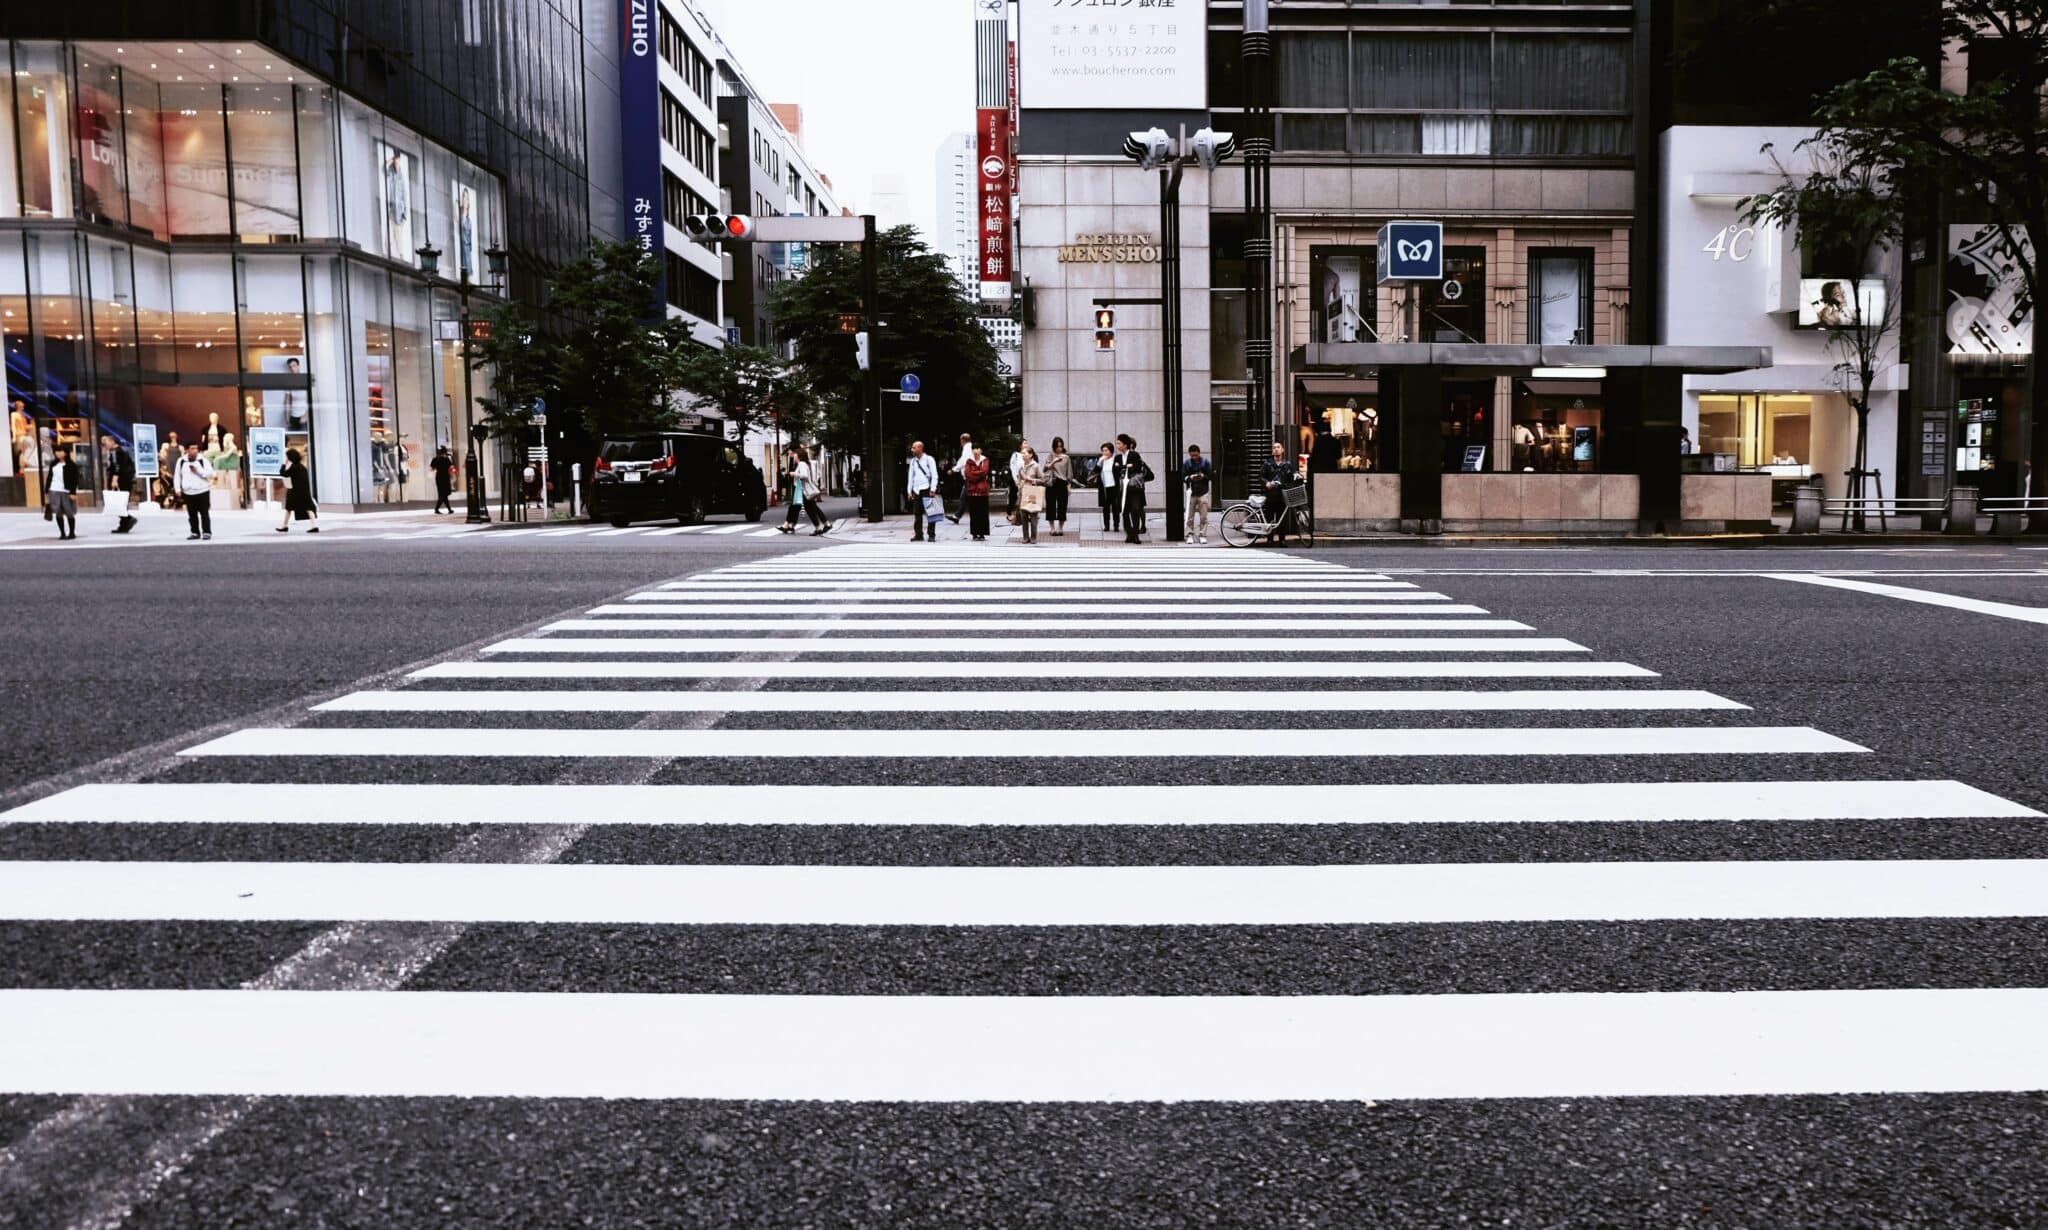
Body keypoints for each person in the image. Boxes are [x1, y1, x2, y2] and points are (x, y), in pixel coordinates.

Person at [1113, 434, 1154, 545]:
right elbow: (1115, 471)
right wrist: (1125, 466)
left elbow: (1136, 467)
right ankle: (1129, 533)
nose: (1117, 445)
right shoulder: (1117, 457)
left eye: (1119, 443)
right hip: (1123, 488)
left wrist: (1122, 466)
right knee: (1124, 511)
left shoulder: (1134, 455)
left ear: (1125, 445)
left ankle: (1135, 535)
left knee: (1135, 510)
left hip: (1134, 488)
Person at [781, 446, 829, 536]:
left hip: (803, 489)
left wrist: (793, 474)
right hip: (802, 489)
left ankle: (820, 526)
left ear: (799, 455)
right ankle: (820, 526)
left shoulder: (802, 464)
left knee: (809, 508)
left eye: (795, 454)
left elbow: (804, 475)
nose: (794, 456)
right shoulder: (803, 464)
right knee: (810, 508)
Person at [1262, 441, 1303, 545]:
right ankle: (1270, 539)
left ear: (1282, 450)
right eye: (1274, 448)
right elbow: (1261, 476)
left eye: (1278, 447)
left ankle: (1282, 539)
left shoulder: (1287, 464)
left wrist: (1297, 476)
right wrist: (1266, 483)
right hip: (1271, 494)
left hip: (1282, 494)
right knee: (1269, 517)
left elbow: (1293, 475)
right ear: (1272, 451)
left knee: (1282, 518)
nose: (1276, 449)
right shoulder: (1267, 464)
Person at [176, 441, 215, 540]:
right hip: (188, 491)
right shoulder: (181, 461)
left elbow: (210, 474)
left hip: (202, 490)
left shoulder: (203, 460)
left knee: (204, 513)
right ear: (187, 450)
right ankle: (194, 532)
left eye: (196, 448)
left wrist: (198, 471)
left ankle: (206, 532)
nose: (195, 451)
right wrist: (177, 488)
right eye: (192, 448)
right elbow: (177, 476)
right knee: (192, 514)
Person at [276, 447, 318, 533]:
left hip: (295, 491)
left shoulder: (294, 467)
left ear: (290, 457)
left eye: (287, 457)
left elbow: (283, 473)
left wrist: (284, 464)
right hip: (304, 491)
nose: (286, 458)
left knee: (289, 508)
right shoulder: (302, 467)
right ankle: (314, 525)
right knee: (308, 507)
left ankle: (285, 526)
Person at [904, 440, 940, 543]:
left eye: (914, 448)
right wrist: (909, 491)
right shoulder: (913, 461)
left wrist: (933, 489)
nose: (912, 450)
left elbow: (934, 475)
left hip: (927, 489)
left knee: (931, 513)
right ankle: (918, 534)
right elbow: (910, 477)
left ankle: (931, 534)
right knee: (917, 513)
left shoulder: (929, 459)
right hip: (917, 490)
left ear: (920, 448)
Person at [43, 444, 81, 539]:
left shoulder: (71, 465)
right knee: (58, 512)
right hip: (54, 490)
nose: (58, 453)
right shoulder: (53, 464)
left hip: (66, 490)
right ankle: (62, 533)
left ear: (66, 453)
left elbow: (74, 479)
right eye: (56, 451)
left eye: (60, 451)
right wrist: (47, 490)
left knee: (69, 512)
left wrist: (73, 492)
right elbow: (50, 477)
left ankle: (72, 532)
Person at [102, 434, 137, 534]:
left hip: (121, 480)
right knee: (120, 503)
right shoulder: (120, 451)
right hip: (125, 480)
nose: (105, 445)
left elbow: (117, 467)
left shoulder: (116, 452)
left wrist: (114, 480)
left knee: (118, 503)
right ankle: (124, 523)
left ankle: (127, 520)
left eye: (106, 442)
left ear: (113, 442)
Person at [1182, 444, 1215, 546]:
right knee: (1189, 516)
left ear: (1199, 453)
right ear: (1190, 454)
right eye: (1192, 456)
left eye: (1195, 455)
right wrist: (1190, 477)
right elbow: (1183, 476)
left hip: (1202, 492)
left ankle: (1202, 535)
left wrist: (1203, 476)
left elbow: (1211, 476)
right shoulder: (1187, 463)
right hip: (1191, 492)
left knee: (1203, 516)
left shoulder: (1205, 462)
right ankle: (1190, 534)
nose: (1194, 458)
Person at [1043, 437, 1073, 536]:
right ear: (1053, 446)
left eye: (1060, 446)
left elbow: (1069, 473)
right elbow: (1045, 469)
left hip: (1062, 483)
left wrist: (1069, 486)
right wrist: (1054, 461)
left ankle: (1060, 528)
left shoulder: (1066, 458)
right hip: (1051, 483)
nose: (1059, 448)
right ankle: (1052, 528)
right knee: (1050, 505)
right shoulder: (1050, 456)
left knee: (1062, 506)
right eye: (1057, 446)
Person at [962, 444, 993, 541]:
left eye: (978, 448)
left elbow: (985, 471)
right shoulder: (969, 461)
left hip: (982, 490)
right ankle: (975, 533)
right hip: (972, 490)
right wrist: (979, 475)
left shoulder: (985, 460)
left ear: (981, 450)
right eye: (974, 448)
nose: (976, 450)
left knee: (983, 512)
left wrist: (974, 473)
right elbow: (968, 474)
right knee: (973, 513)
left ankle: (982, 533)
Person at [1016, 445, 1045, 544]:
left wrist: (1032, 480)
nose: (1023, 455)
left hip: (1032, 493)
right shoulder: (1021, 466)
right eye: (1022, 453)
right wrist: (1019, 483)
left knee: (1033, 516)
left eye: (1025, 453)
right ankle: (1025, 537)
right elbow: (1019, 479)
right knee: (1023, 516)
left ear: (1031, 455)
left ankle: (1033, 537)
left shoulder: (1035, 466)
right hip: (1023, 493)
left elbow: (1043, 480)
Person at [1095, 442, 1120, 534]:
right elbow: (1095, 471)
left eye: (1106, 450)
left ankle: (1116, 525)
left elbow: (1119, 471)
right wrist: (1099, 461)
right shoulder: (1101, 460)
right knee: (1106, 507)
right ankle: (1106, 525)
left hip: (1114, 486)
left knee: (1115, 507)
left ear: (1111, 451)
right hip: (1105, 487)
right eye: (1103, 450)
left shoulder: (1116, 459)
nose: (1104, 452)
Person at [950, 433, 973, 522]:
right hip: (969, 477)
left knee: (964, 497)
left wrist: (954, 469)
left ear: (962, 440)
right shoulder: (968, 447)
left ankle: (957, 516)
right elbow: (962, 459)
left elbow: (964, 461)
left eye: (960, 440)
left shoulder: (967, 448)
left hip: (969, 476)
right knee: (965, 497)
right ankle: (957, 516)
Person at [1007, 439, 1029, 524]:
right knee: (1014, 497)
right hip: (1017, 479)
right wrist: (1016, 479)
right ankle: (1009, 514)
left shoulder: (1029, 454)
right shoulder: (1015, 455)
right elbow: (1013, 467)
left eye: (1027, 443)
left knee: (1025, 497)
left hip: (1026, 479)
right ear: (1020, 445)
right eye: (1025, 443)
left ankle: (1024, 515)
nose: (1026, 444)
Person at [430, 445, 457, 513]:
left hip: (438, 477)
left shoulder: (435, 459)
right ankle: (437, 509)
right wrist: (454, 474)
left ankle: (449, 509)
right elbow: (451, 468)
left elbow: (432, 468)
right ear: (445, 452)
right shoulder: (447, 459)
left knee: (442, 494)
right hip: (445, 477)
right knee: (444, 494)